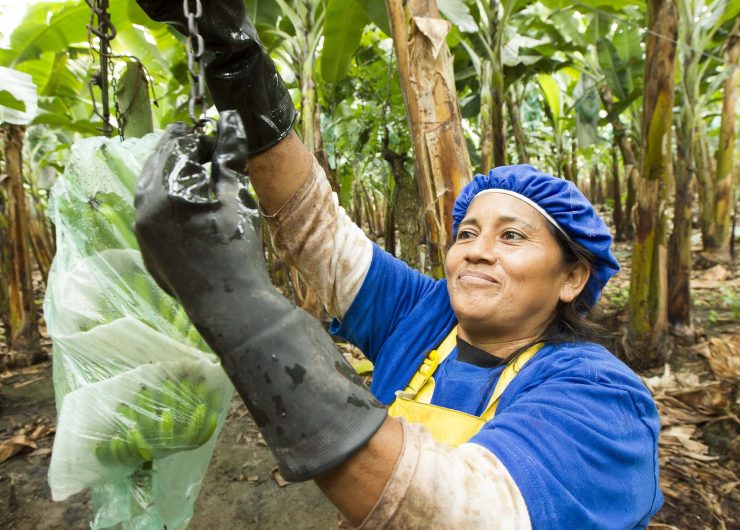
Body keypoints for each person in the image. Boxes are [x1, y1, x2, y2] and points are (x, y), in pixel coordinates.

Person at [133, 1, 663, 528]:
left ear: (572, 277)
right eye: (468, 233)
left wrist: (236, 304)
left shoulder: (601, 399)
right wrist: (237, 61)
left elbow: (472, 512)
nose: (477, 250)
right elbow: (316, 228)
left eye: (512, 236)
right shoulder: (426, 317)